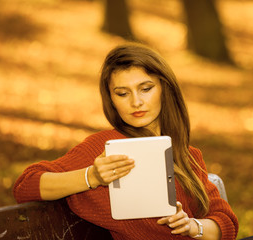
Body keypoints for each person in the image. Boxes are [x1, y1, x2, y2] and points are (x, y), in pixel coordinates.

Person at [13, 42, 239, 240]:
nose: (136, 102)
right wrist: (91, 176)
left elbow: (224, 222)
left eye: (146, 89)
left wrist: (193, 226)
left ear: (165, 88)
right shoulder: (105, 147)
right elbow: (26, 185)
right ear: (111, 99)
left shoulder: (187, 154)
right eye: (122, 93)